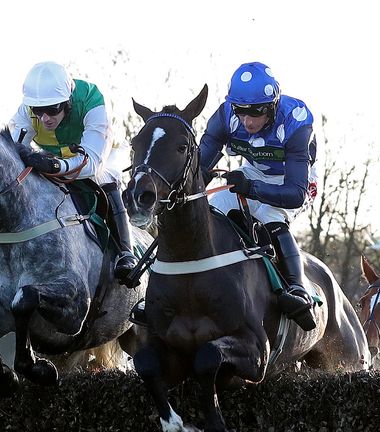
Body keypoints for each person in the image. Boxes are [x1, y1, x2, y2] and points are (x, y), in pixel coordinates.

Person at [131, 61, 320, 330]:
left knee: (270, 216)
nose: (247, 121)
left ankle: (298, 289)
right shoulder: (225, 116)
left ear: (273, 106)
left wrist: (251, 189)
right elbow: (200, 170)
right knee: (209, 211)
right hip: (251, 172)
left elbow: (295, 194)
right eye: (242, 112)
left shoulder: (296, 121)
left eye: (256, 112)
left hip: (293, 181)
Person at [9, 61, 136, 282]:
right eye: (38, 111)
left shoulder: (91, 101)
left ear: (67, 101)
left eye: (52, 109)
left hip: (104, 153)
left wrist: (57, 166)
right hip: (57, 155)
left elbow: (93, 162)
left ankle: (126, 252)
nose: (45, 118)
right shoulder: (26, 111)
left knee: (105, 179)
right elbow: (11, 154)